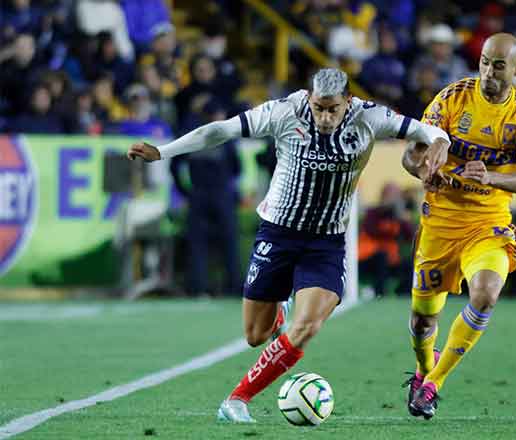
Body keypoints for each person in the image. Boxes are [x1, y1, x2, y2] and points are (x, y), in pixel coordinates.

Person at [127, 68, 450, 423]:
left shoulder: (371, 117)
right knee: (255, 335)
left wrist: (441, 143)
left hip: (326, 243)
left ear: (348, 102)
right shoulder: (284, 111)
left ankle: (237, 400)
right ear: (309, 98)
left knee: (307, 326)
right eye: (318, 108)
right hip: (277, 234)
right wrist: (163, 152)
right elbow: (221, 130)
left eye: (333, 109)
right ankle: (279, 306)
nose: (325, 117)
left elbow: (429, 131)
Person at [401, 33, 516, 419]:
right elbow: (410, 156)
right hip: (440, 222)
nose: (488, 72)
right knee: (422, 320)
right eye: (484, 62)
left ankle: (434, 385)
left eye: (498, 66)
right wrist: (424, 171)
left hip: (488, 223)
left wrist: (490, 177)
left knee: (485, 295)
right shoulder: (452, 98)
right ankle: (423, 368)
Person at [169, 100, 242, 296]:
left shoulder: (192, 138)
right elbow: (237, 168)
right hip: (221, 195)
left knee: (198, 244)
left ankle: (198, 287)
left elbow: (174, 166)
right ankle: (233, 286)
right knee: (228, 242)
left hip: (198, 195)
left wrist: (184, 191)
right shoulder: (226, 138)